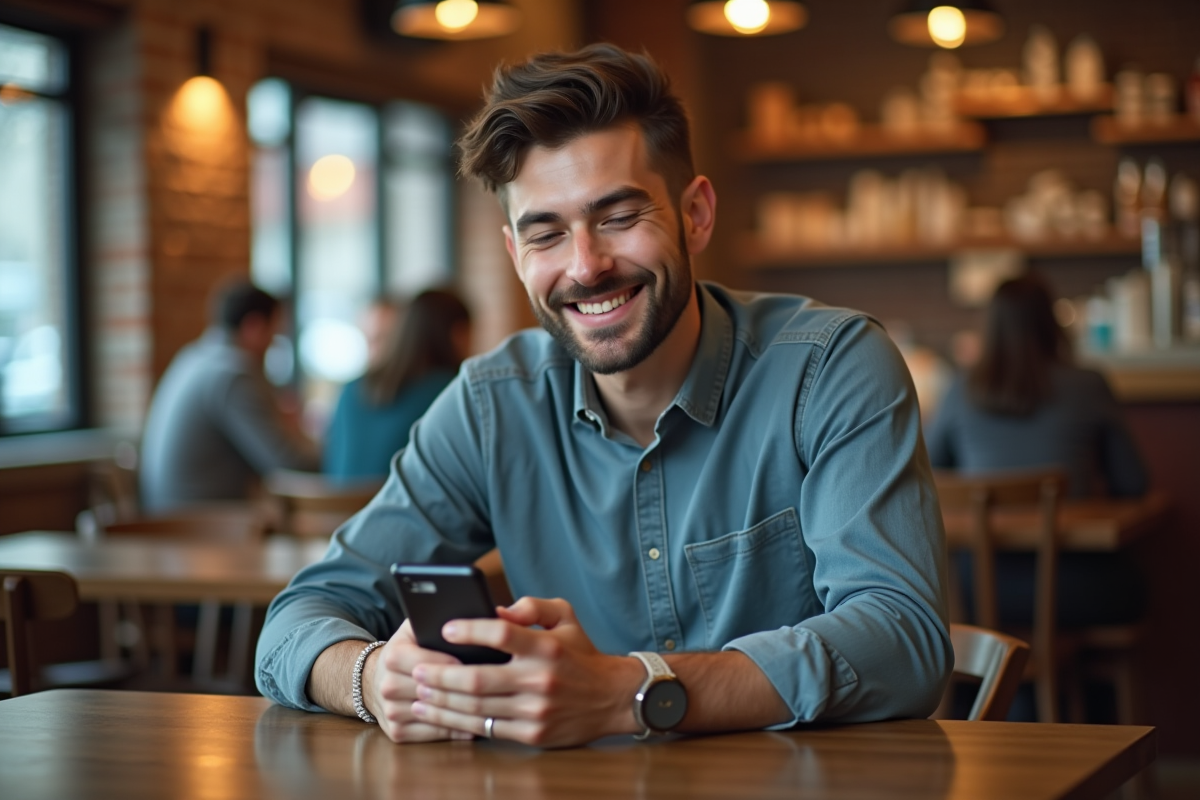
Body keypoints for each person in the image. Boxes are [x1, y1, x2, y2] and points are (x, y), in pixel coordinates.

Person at [256, 44, 950, 748]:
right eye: (547, 234)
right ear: (515, 255)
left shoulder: (829, 367)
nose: (585, 266)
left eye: (618, 216)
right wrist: (371, 678)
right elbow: (298, 619)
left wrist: (633, 691)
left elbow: (903, 638)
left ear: (696, 214)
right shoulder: (493, 405)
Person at [925, 273, 1149, 635]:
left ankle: (1014, 686)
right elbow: (1133, 482)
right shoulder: (1088, 384)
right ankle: (1069, 688)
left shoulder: (958, 389)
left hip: (977, 593)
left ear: (990, 328)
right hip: (1075, 587)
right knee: (1134, 585)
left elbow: (931, 475)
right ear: (1052, 324)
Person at [140, 279, 319, 512]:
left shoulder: (193, 357)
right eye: (274, 333)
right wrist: (341, 450)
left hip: (167, 517)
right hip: (197, 528)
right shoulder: (233, 375)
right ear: (253, 327)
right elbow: (287, 463)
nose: (274, 344)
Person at [322, 289, 472, 480]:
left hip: (339, 509)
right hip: (403, 508)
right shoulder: (452, 390)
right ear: (458, 334)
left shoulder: (351, 388)